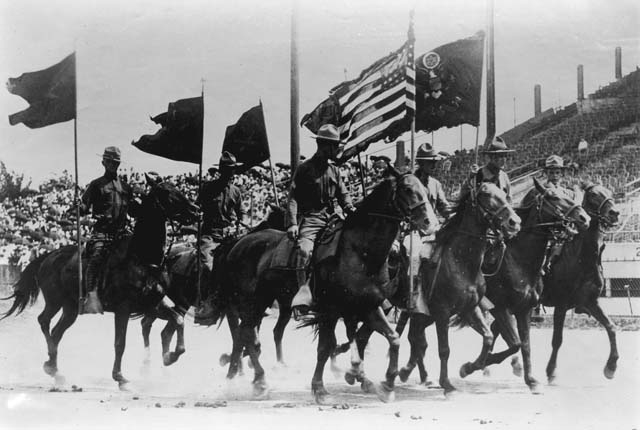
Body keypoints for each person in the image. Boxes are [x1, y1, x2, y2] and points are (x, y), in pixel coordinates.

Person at [287, 124, 355, 313]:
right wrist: (292, 223)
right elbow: (293, 198)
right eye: (334, 146)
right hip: (312, 219)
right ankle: (303, 293)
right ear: (322, 145)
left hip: (333, 217)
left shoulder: (335, 170)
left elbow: (344, 194)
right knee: (304, 251)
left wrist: (349, 207)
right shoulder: (304, 169)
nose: (336, 150)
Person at [79, 146, 133, 314]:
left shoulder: (126, 187)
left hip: (122, 232)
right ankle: (91, 296)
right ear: (103, 162)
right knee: (96, 257)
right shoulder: (96, 185)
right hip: (102, 232)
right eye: (110, 162)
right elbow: (84, 208)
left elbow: (133, 211)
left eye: (116, 162)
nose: (113, 165)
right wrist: (78, 204)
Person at [194, 151, 246, 323]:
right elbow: (197, 208)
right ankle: (205, 303)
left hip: (228, 238)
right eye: (226, 169)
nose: (229, 173)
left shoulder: (236, 191)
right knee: (208, 267)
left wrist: (239, 224)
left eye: (232, 170)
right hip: (209, 235)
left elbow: (241, 213)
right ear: (221, 170)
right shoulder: (208, 188)